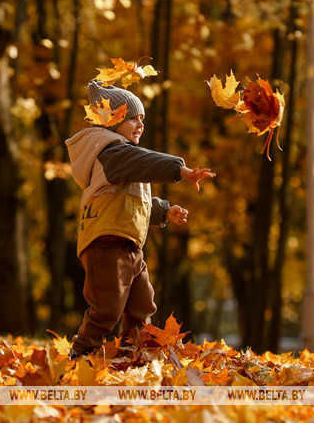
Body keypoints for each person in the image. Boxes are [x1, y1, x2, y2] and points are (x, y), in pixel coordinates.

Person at [65, 81, 216, 358]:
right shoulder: (110, 152)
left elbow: (132, 199)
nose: (140, 124)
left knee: (142, 304)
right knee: (108, 307)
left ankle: (130, 353)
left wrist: (163, 212)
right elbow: (146, 162)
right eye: (132, 117)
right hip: (106, 244)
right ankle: (82, 352)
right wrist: (181, 170)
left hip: (128, 245)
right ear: (112, 120)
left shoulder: (123, 157)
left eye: (142, 119)